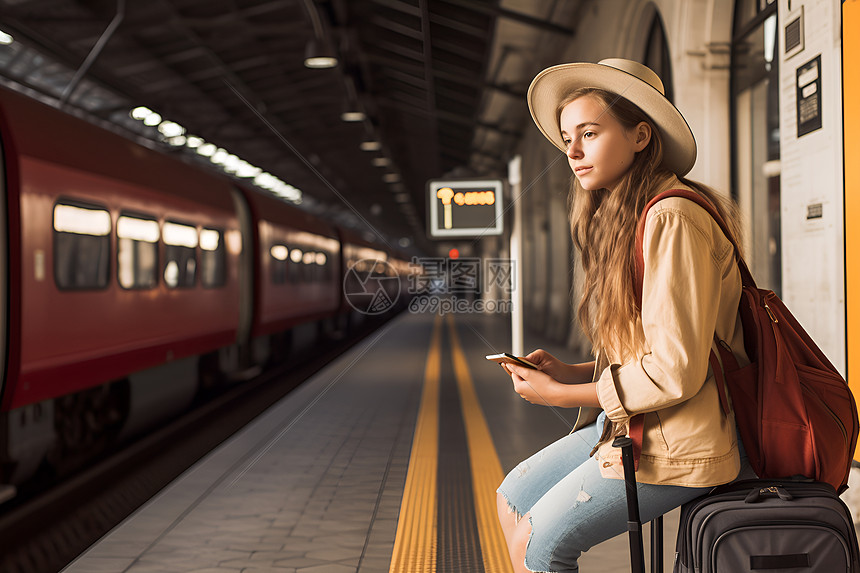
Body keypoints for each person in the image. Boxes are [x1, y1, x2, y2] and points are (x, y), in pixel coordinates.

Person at [495, 58, 756, 572]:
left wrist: (562, 396)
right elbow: (650, 348)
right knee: (514, 496)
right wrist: (570, 373)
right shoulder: (628, 216)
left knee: (539, 546)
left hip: (688, 438)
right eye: (567, 138)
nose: (571, 152)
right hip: (641, 424)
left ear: (641, 135)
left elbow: (675, 370)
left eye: (588, 133)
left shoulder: (671, 217)